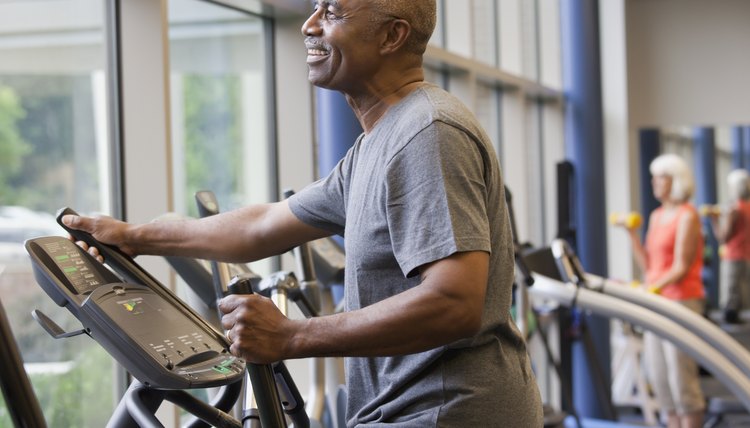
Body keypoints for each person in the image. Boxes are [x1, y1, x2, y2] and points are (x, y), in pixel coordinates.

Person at [62, 0, 544, 426]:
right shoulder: (381, 139)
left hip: (444, 413)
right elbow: (264, 226)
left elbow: (454, 303)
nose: (309, 24)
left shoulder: (427, 134)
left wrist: (292, 336)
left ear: (392, 35)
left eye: (332, 12)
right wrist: (135, 237)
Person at [617, 153, 705, 428]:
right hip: (658, 302)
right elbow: (649, 265)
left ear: (675, 181)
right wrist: (630, 234)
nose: (654, 182)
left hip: (682, 301)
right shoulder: (656, 217)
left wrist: (652, 287)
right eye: (653, 177)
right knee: (659, 377)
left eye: (660, 177)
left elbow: (681, 266)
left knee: (682, 380)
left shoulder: (687, 216)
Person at [706, 169, 750, 324]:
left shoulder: (734, 210)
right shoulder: (747, 208)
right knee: (742, 294)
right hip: (746, 256)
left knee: (730, 296)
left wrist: (713, 220)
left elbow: (722, 237)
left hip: (732, 256)